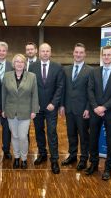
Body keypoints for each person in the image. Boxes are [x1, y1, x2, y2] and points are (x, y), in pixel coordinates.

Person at [86, 45, 111, 181]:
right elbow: (90, 91)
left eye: (109, 54)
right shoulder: (94, 72)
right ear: (101, 56)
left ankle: (108, 168)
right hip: (95, 111)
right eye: (104, 55)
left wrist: (104, 107)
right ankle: (94, 164)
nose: (106, 57)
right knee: (92, 139)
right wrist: (96, 107)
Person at [29, 43, 64, 174]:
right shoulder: (32, 67)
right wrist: (34, 103)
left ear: (50, 52)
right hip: (37, 107)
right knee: (38, 131)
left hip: (51, 107)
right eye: (43, 51)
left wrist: (54, 103)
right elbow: (30, 87)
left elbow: (60, 86)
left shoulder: (57, 67)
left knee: (52, 132)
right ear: (39, 53)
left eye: (47, 51)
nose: (45, 53)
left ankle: (54, 160)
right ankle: (42, 154)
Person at [2, 54, 39, 169]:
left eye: (21, 62)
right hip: (11, 111)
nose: (19, 64)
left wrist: (34, 110)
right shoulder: (7, 76)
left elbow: (35, 94)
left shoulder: (32, 76)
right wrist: (3, 109)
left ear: (25, 64)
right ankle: (16, 158)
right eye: (17, 62)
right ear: (14, 64)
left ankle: (24, 158)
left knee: (23, 136)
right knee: (15, 135)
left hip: (26, 112)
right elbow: (4, 94)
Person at [59, 43, 93, 171]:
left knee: (84, 135)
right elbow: (63, 89)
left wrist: (88, 108)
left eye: (81, 52)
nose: (78, 54)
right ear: (73, 53)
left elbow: (91, 92)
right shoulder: (66, 69)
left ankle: (84, 158)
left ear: (85, 54)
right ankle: (72, 155)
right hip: (69, 108)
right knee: (71, 134)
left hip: (82, 110)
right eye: (76, 52)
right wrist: (61, 105)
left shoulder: (90, 71)